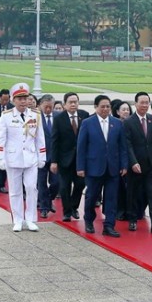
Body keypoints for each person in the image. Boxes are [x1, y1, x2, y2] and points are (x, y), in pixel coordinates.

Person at [0, 82, 46, 232]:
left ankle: (30, 219)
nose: (23, 101)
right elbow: (0, 138)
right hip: (13, 158)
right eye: (20, 98)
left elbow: (40, 137)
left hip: (30, 157)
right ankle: (17, 219)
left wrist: (42, 156)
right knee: (15, 191)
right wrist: (1, 158)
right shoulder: (6, 116)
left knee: (31, 188)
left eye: (25, 98)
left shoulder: (35, 115)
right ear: (13, 100)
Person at [77, 95, 128, 237]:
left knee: (112, 197)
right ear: (96, 107)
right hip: (94, 167)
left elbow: (122, 146)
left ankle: (109, 226)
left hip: (113, 168)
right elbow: (81, 147)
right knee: (92, 196)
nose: (105, 109)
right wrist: (80, 167)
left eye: (108, 106)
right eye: (102, 106)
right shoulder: (88, 123)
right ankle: (89, 220)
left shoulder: (117, 123)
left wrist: (124, 165)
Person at [123, 92, 152, 233]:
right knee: (133, 193)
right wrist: (133, 162)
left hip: (151, 165)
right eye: (142, 102)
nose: (145, 105)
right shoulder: (128, 122)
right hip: (135, 165)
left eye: (147, 102)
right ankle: (133, 219)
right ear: (135, 104)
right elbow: (127, 144)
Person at [50, 92, 90, 222]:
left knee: (80, 185)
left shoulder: (84, 116)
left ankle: (74, 207)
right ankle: (67, 212)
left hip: (81, 159)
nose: (73, 104)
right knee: (64, 187)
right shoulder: (59, 118)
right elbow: (55, 141)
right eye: (70, 102)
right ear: (64, 104)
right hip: (64, 159)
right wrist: (54, 161)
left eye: (75, 102)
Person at [37, 94, 59, 218]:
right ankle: (44, 207)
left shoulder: (58, 117)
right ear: (40, 105)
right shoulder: (35, 118)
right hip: (40, 156)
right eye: (46, 107)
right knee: (41, 183)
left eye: (51, 107)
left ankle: (48, 200)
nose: (48, 109)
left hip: (55, 157)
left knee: (56, 183)